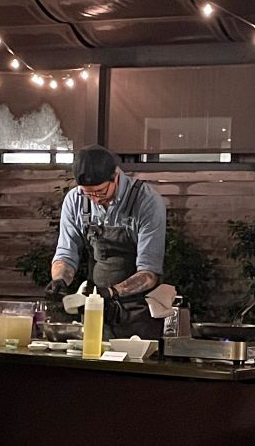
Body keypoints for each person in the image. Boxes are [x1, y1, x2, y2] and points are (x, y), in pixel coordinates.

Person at [46, 145, 167, 339]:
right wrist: (60, 279)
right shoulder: (75, 200)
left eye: (100, 192)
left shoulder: (147, 202)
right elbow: (66, 254)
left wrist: (110, 292)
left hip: (139, 312)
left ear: (116, 175)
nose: (94, 199)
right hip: (96, 308)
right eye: (88, 193)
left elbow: (149, 273)